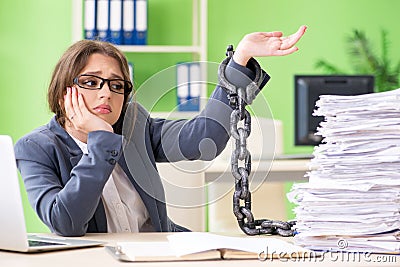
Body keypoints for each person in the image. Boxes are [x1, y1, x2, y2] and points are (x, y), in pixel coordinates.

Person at [14, 26, 307, 237]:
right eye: (91, 82)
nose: (106, 94)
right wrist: (100, 140)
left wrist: (240, 60)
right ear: (64, 89)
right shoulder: (35, 148)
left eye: (117, 85)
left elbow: (202, 140)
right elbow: (65, 222)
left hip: (163, 252)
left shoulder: (134, 124)